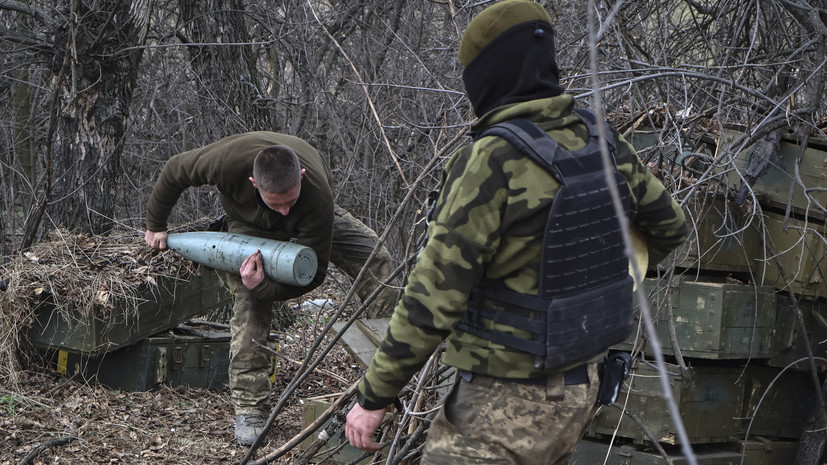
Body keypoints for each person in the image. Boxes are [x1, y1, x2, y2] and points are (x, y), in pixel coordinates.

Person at [344, 1, 689, 464]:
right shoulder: (599, 139)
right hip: (580, 390)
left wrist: (373, 397)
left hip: (499, 402)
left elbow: (433, 298)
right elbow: (669, 228)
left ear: (487, 75)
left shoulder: (492, 159)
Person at [143, 131, 400, 445]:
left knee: (379, 264)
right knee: (250, 302)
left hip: (311, 224)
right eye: (276, 204)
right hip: (247, 226)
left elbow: (313, 275)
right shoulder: (227, 161)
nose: (283, 211)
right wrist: (156, 224)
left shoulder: (315, 195)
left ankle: (389, 379)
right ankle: (250, 408)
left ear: (301, 177)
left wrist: (269, 285)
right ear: (253, 183)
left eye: (289, 201)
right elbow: (174, 169)